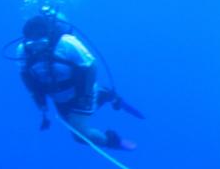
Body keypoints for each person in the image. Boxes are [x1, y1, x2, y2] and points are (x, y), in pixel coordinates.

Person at [17, 11, 138, 150]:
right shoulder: (23, 51)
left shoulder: (67, 43)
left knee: (79, 134)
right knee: (72, 124)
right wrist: (41, 105)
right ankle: (104, 95)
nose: (37, 46)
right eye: (32, 42)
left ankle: (114, 141)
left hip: (81, 93)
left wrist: (84, 97)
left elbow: (90, 66)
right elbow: (27, 78)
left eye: (41, 40)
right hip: (59, 97)